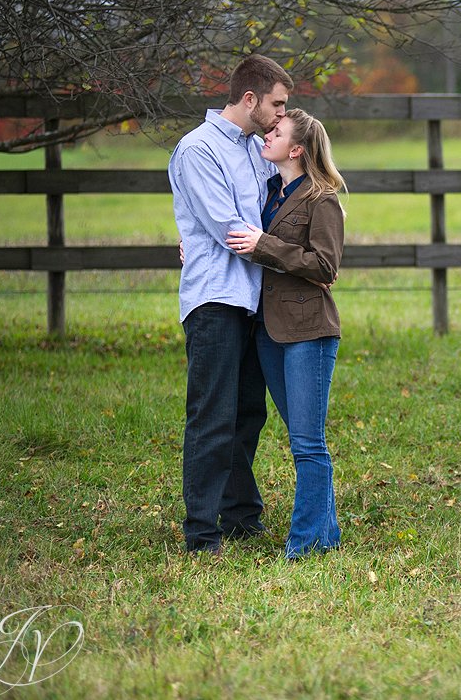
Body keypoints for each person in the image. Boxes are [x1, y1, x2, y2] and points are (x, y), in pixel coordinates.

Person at [168, 54, 293, 554]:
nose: (283, 116)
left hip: (254, 299)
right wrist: (291, 253)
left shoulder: (253, 150)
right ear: (250, 99)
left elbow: (273, 210)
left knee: (247, 413)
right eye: (278, 105)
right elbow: (228, 229)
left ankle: (241, 516)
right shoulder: (197, 150)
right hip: (215, 299)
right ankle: (202, 532)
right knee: (212, 415)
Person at [226, 108, 346, 560]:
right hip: (266, 331)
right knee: (301, 436)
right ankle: (325, 532)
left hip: (308, 331)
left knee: (307, 442)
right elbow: (236, 234)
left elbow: (325, 266)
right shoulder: (268, 192)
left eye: (275, 131)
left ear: (296, 149)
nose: (266, 134)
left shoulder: (322, 199)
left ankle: (307, 543)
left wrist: (265, 245)